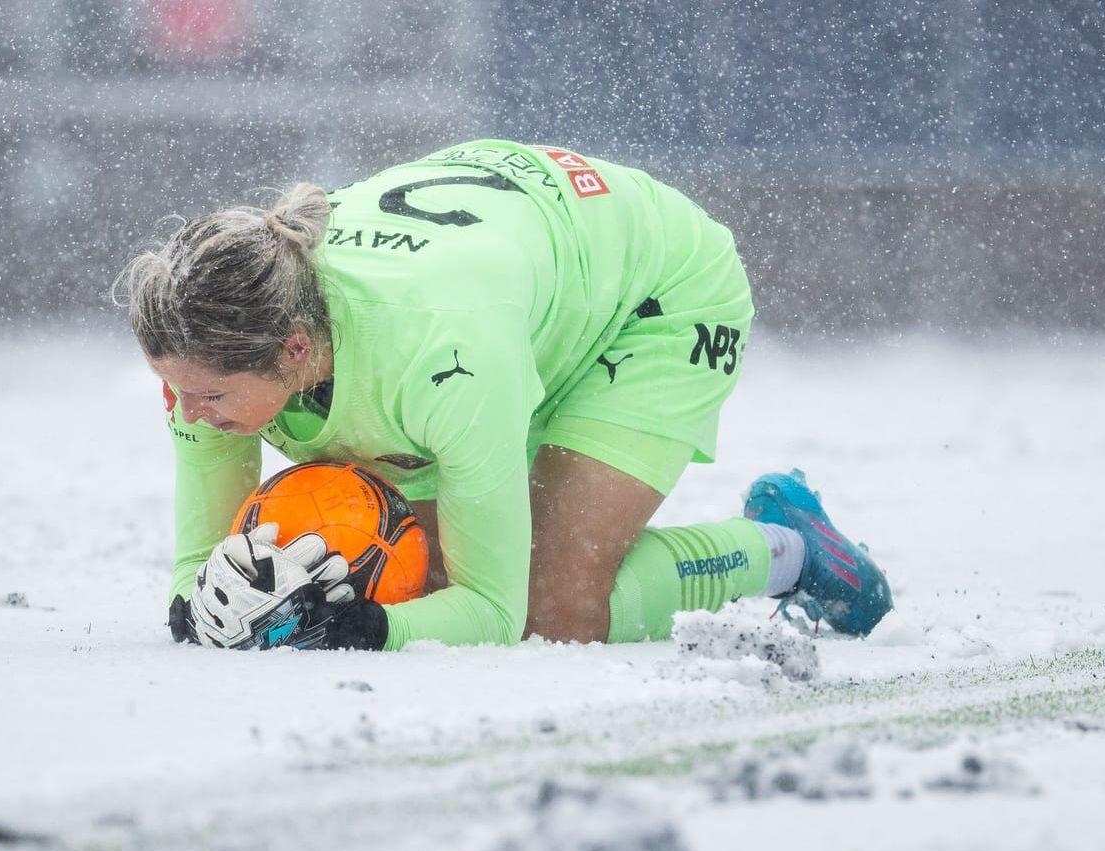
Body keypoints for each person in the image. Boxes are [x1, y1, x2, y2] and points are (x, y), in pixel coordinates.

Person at [115, 140, 892, 651]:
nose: (187, 416)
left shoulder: (441, 358)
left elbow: (496, 610)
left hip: (655, 294)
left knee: (555, 610)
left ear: (293, 351)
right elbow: (197, 561)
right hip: (511, 284)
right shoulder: (216, 343)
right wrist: (196, 605)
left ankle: (790, 551)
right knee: (427, 575)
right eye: (171, 389)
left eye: (209, 397)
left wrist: (367, 627)